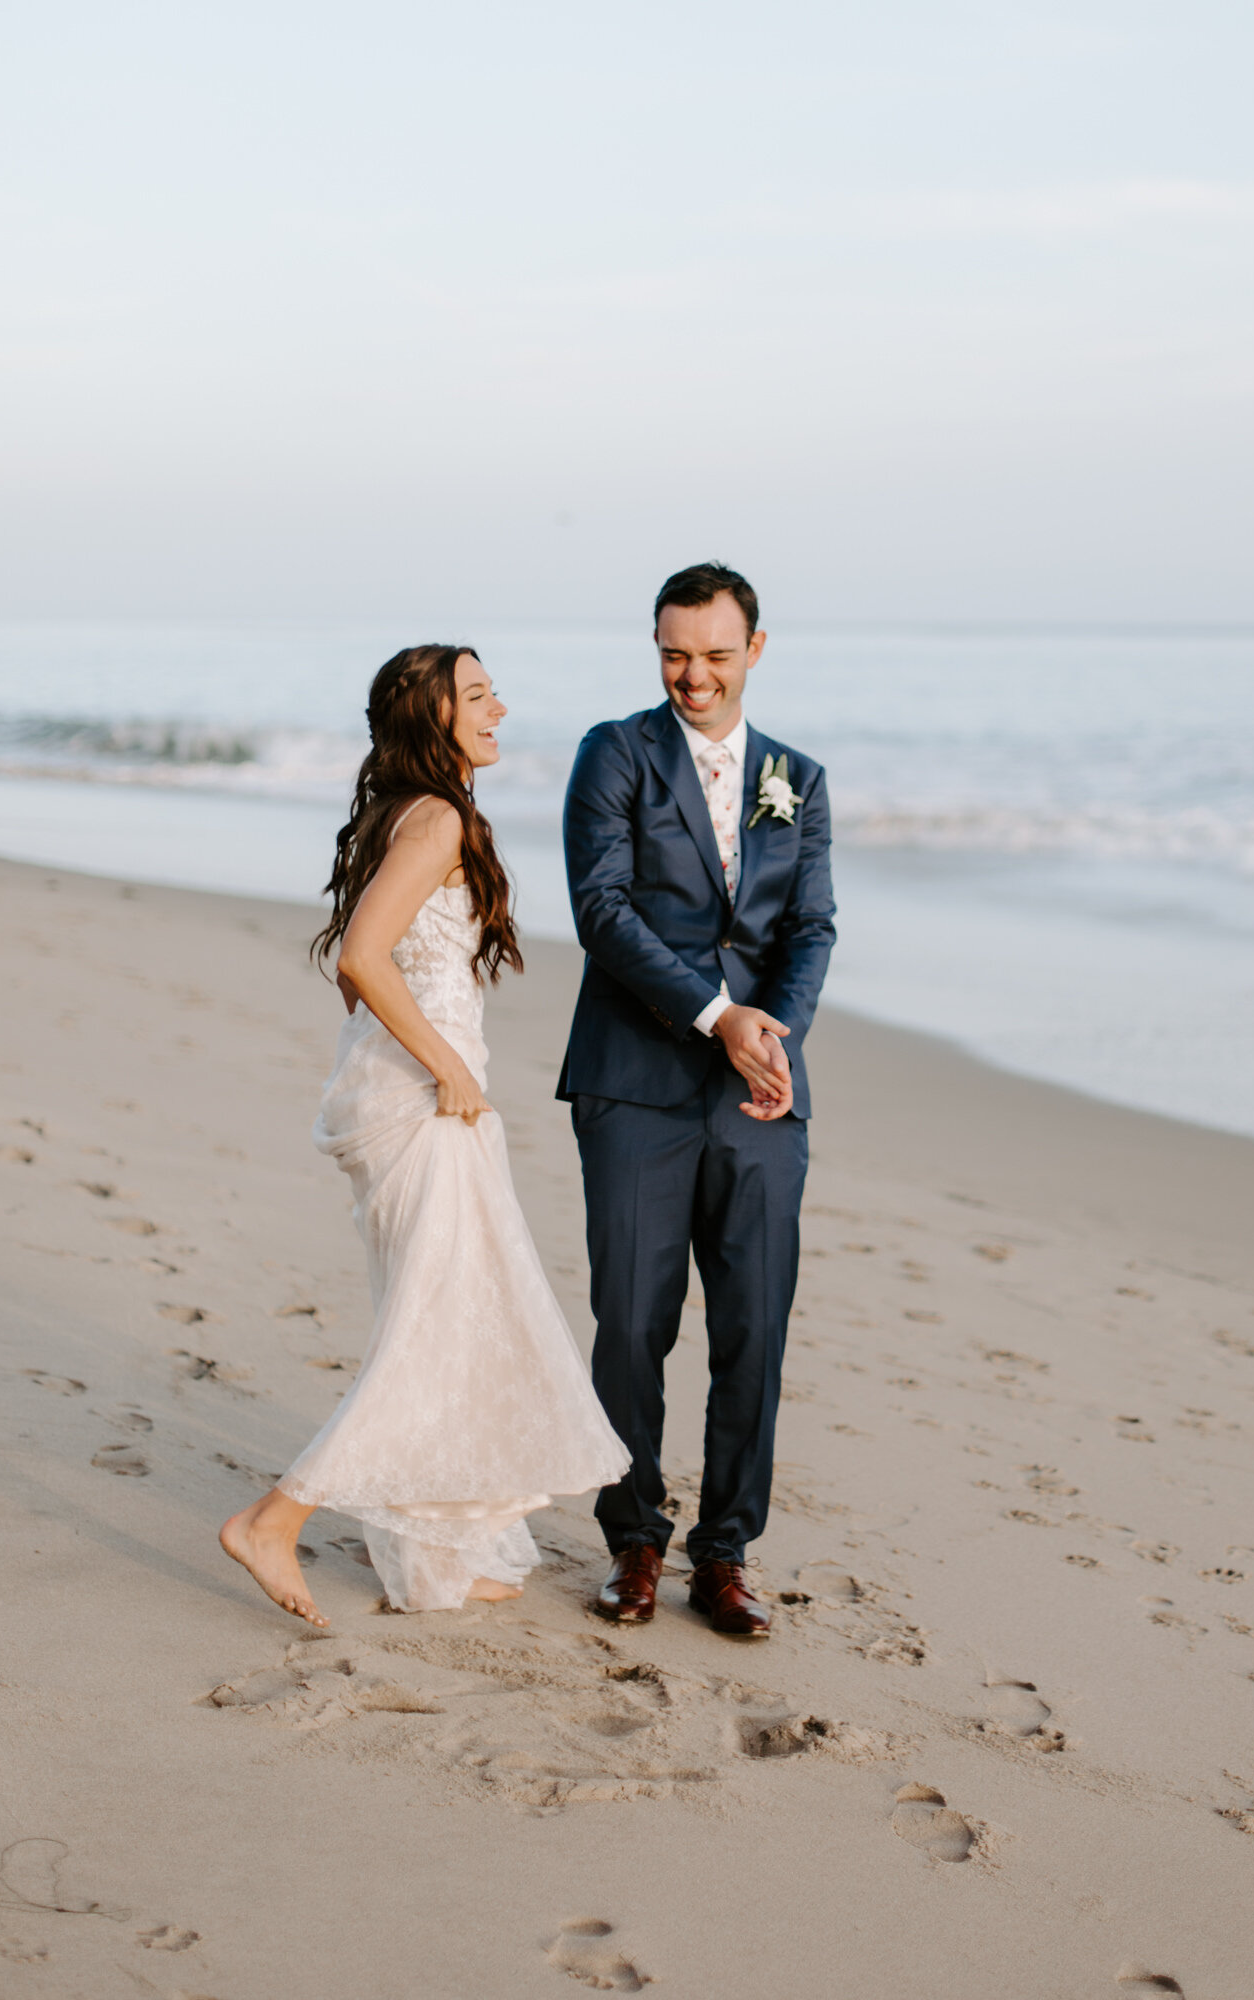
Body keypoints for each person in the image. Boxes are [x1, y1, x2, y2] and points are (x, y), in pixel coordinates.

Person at [220, 645, 628, 1625]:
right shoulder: (437, 816)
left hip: (397, 1089)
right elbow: (363, 953)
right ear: (433, 714)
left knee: (442, 1319)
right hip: (427, 1099)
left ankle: (440, 1556)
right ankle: (274, 1519)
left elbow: (359, 965)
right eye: (477, 693)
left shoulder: (400, 811)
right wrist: (445, 1062)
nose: (498, 707)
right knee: (430, 1331)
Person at [559, 563, 836, 1638]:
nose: (693, 676)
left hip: (757, 1088)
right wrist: (715, 1013)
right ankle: (633, 1537)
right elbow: (601, 908)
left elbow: (809, 928)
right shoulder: (615, 752)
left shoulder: (796, 779)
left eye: (716, 655)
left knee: (753, 1325)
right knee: (630, 1318)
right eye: (675, 653)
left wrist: (771, 1033)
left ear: (754, 649)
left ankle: (724, 1553)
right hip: (633, 1076)